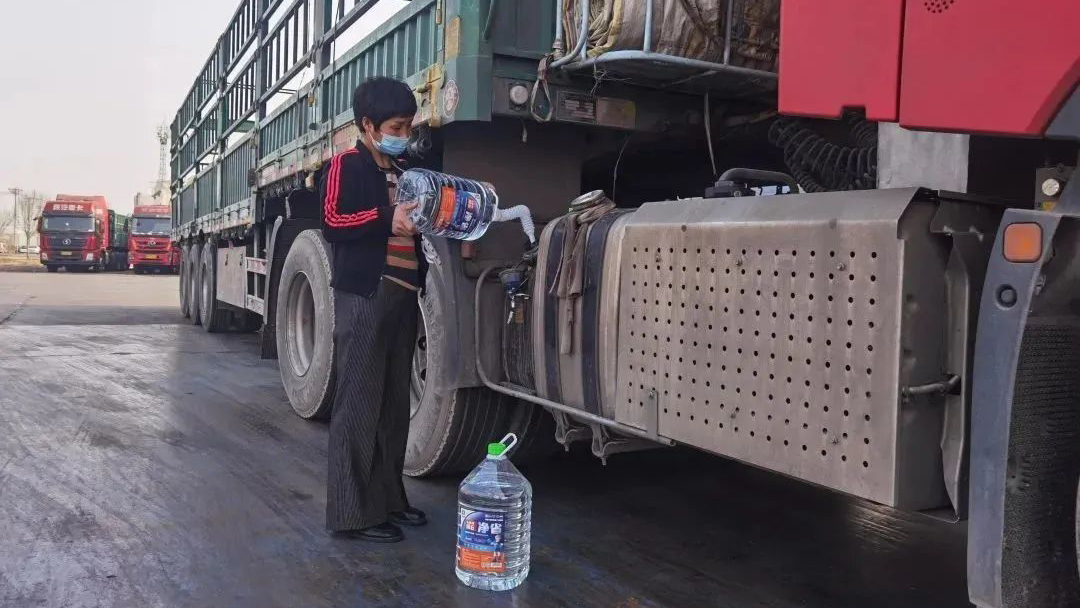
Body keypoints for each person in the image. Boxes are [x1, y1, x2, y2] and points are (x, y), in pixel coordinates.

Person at [320, 76, 429, 543]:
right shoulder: (346, 165)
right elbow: (332, 221)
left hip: (403, 295)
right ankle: (352, 515)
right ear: (368, 125)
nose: (403, 135)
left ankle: (389, 501)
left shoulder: (405, 171)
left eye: (408, 127)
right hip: (366, 295)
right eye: (396, 127)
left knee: (392, 405)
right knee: (359, 404)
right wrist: (388, 218)